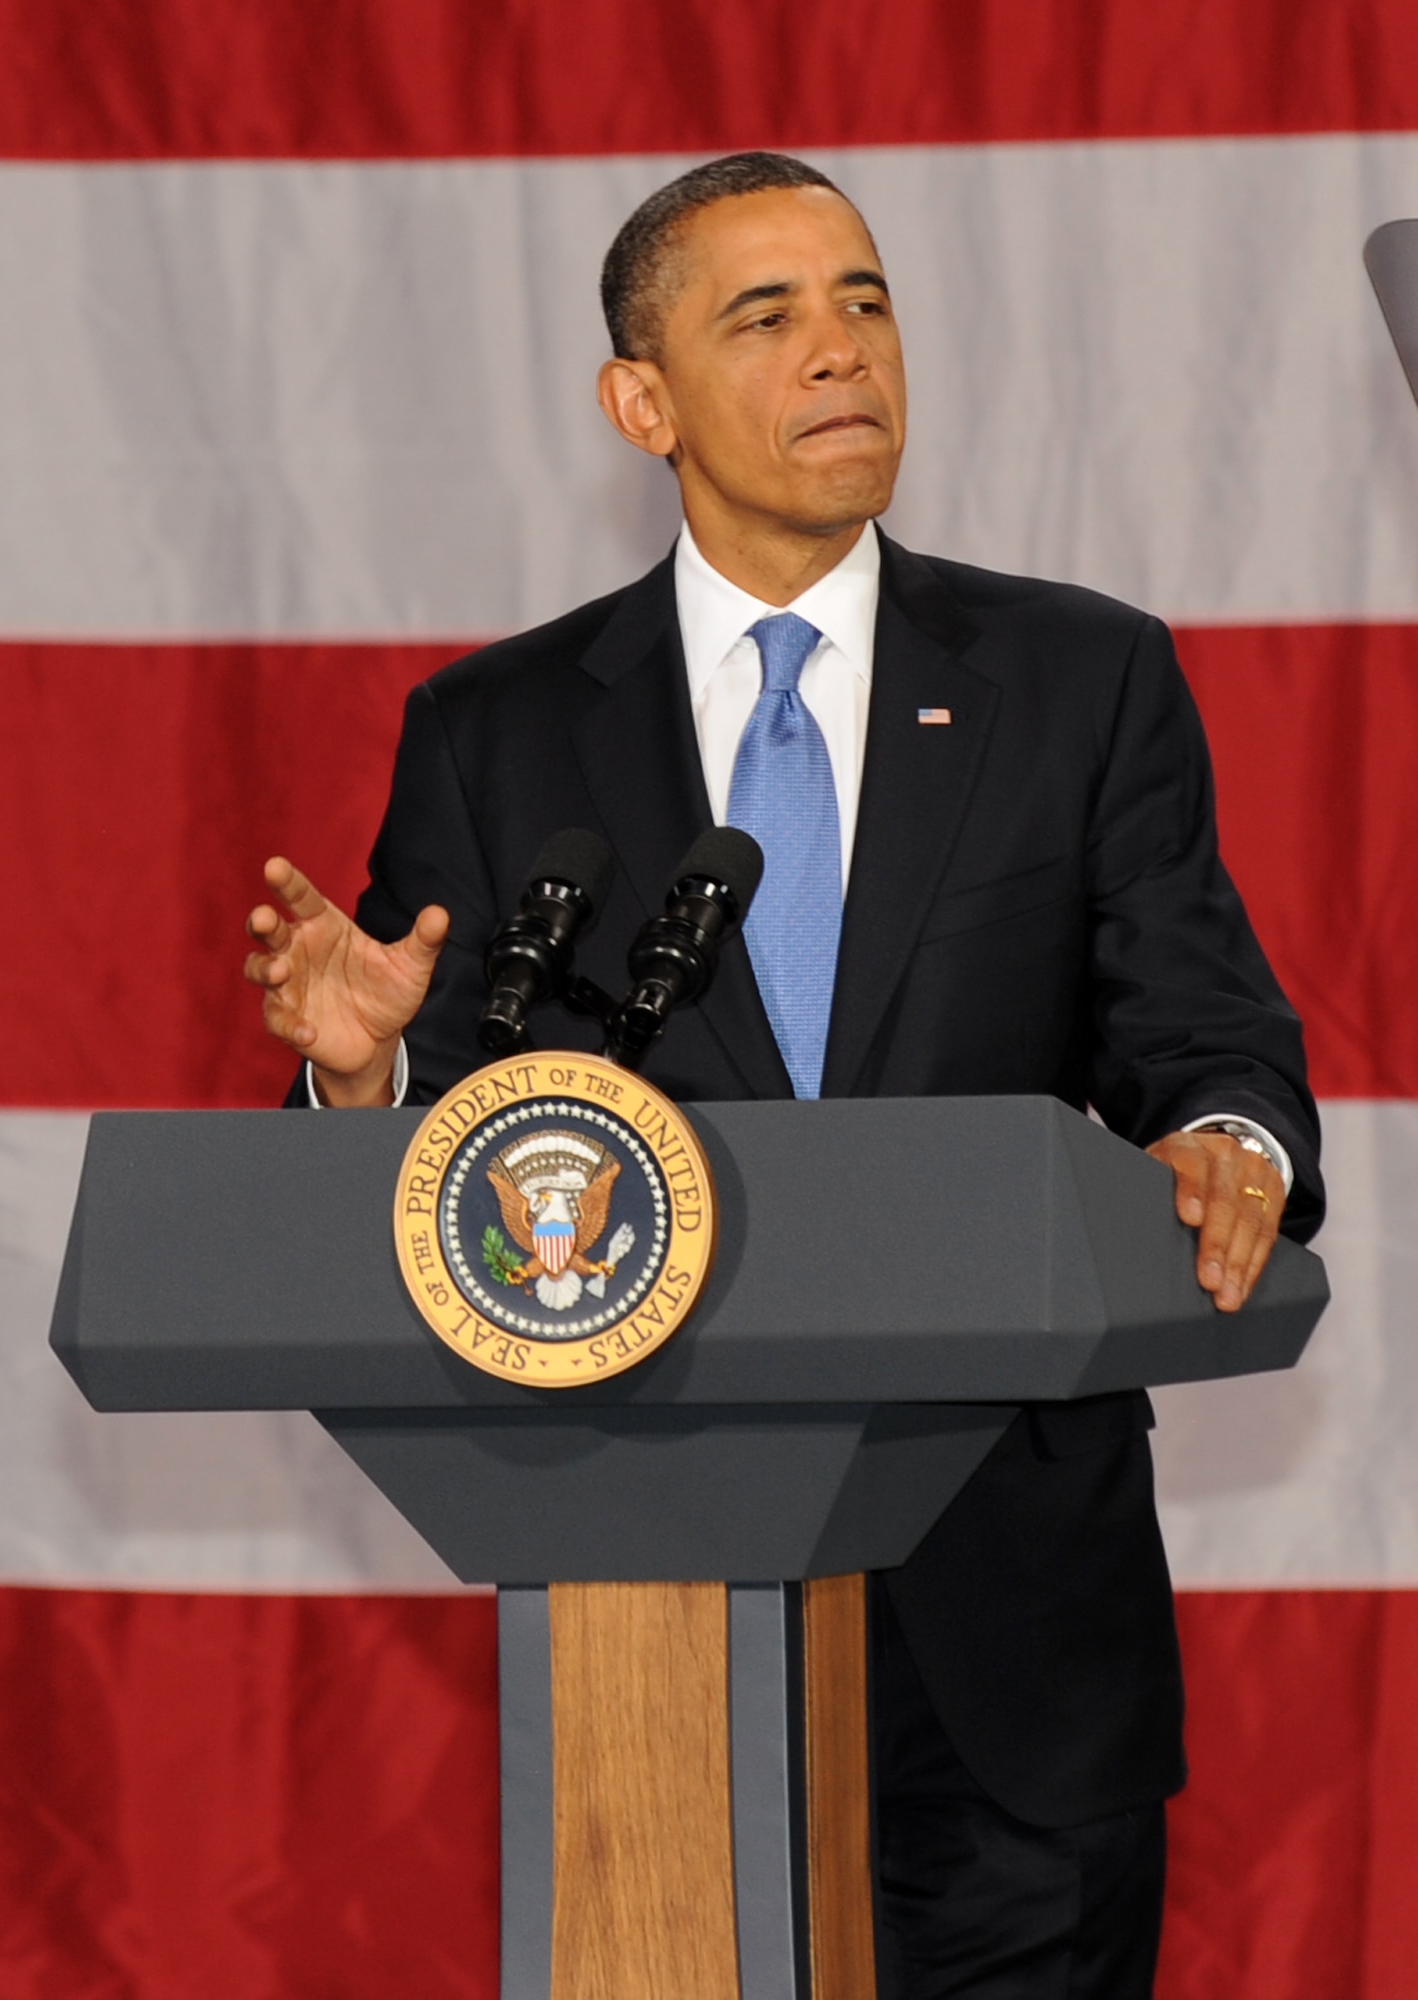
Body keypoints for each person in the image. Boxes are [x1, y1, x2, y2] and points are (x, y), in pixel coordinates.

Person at [244, 153, 1322, 1998]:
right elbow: (442, 1178)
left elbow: (1202, 1033)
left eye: (865, 300)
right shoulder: (496, 732)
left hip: (1011, 1631)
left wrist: (1227, 1141)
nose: (840, 351)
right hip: (655, 1617)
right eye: (767, 316)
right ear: (639, 403)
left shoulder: (1080, 679)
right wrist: (365, 1081)